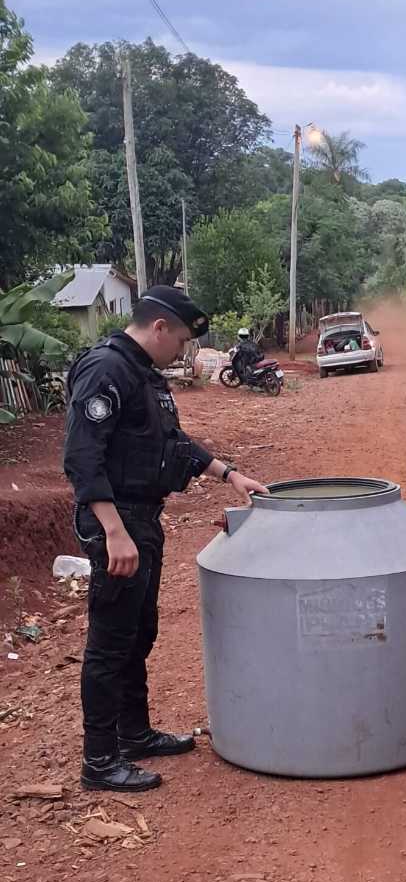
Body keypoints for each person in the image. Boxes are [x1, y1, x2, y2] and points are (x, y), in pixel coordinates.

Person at [64, 285, 269, 794]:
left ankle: (133, 734)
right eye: (179, 339)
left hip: (143, 519)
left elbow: (172, 442)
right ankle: (99, 760)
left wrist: (229, 474)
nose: (182, 351)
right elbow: (82, 458)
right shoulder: (106, 370)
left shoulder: (144, 377)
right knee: (111, 643)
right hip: (118, 523)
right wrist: (114, 532)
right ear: (158, 328)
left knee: (140, 632)